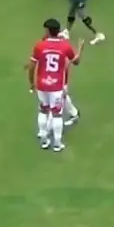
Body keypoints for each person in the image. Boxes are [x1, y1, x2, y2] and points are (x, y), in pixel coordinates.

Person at [27, 19, 84, 152]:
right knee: (57, 114)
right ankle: (57, 144)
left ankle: (44, 140)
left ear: (47, 30)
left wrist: (31, 83)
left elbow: (31, 66)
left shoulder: (40, 45)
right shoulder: (65, 46)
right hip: (57, 86)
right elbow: (76, 62)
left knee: (43, 111)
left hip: (42, 84)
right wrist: (80, 49)